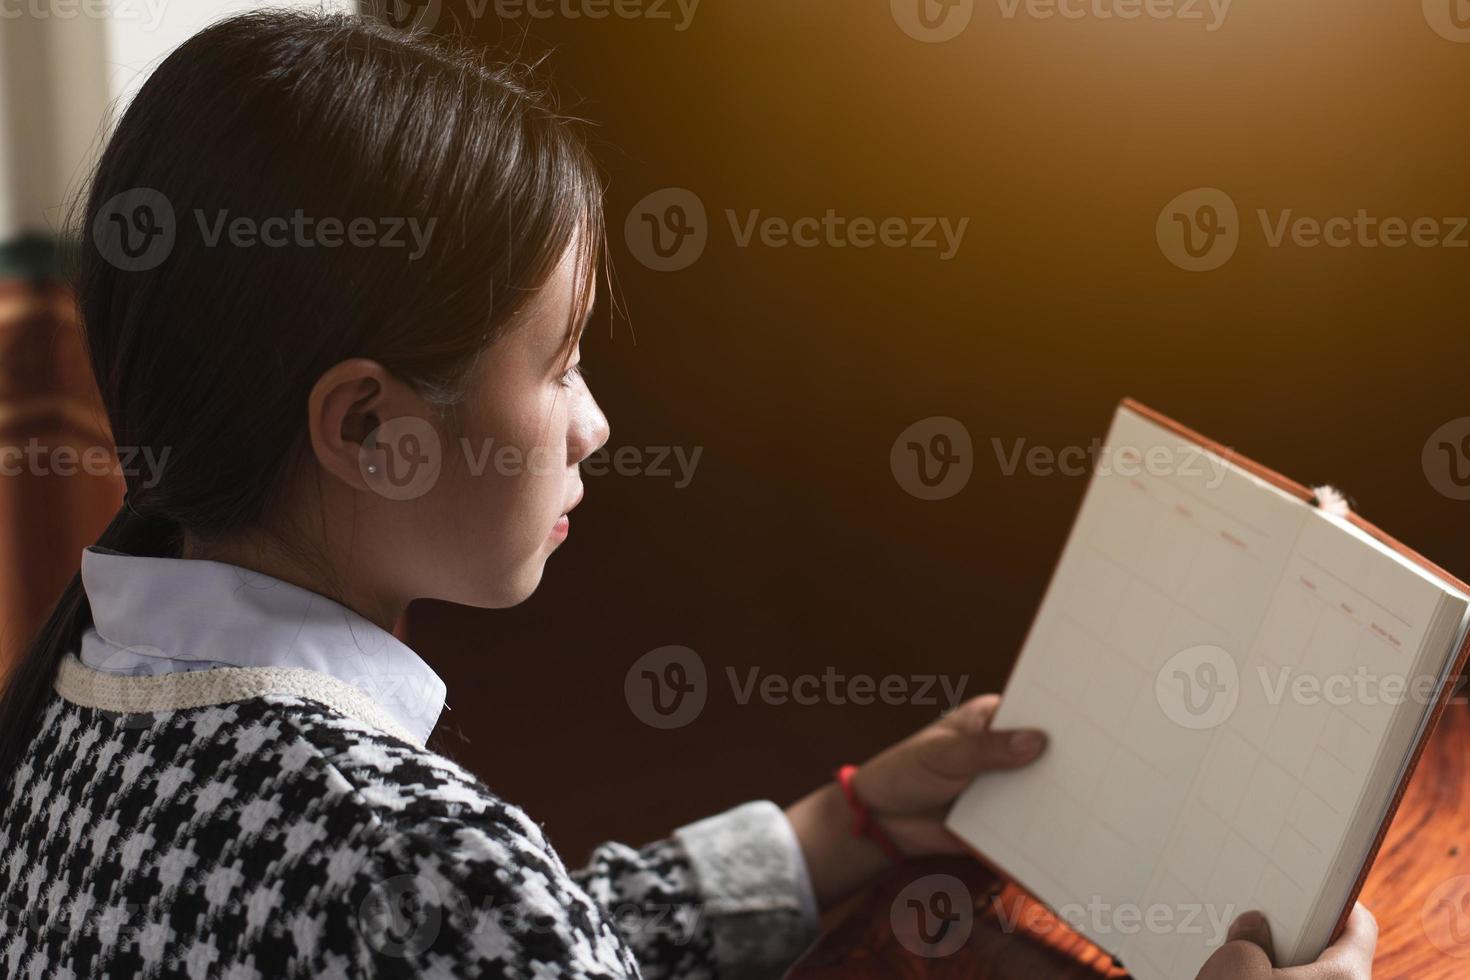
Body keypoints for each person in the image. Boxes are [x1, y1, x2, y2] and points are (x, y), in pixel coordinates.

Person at [0, 11, 1375, 978]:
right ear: (371, 426)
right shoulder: (399, 851)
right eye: (561, 362)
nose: (595, 425)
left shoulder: (84, 700)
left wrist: (842, 826)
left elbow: (509, 946)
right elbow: (475, 923)